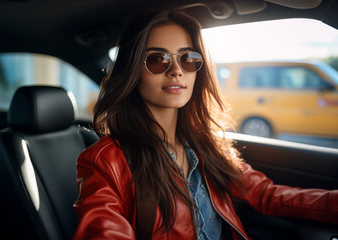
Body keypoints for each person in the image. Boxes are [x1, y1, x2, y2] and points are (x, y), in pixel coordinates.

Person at [73, 10, 338, 240]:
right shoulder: (104, 161)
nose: (176, 70)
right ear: (131, 71)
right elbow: (103, 229)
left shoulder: (205, 142)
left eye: (188, 58)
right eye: (157, 59)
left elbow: (265, 194)